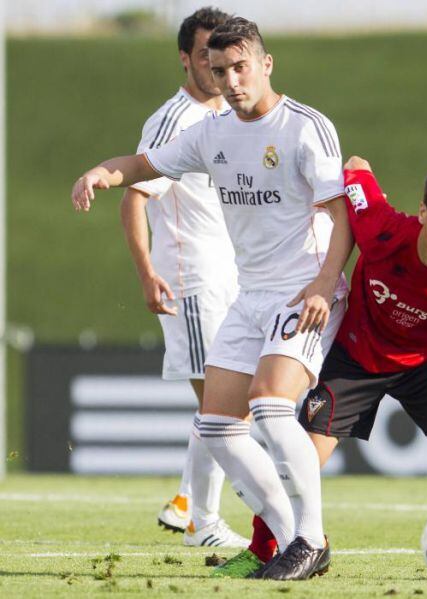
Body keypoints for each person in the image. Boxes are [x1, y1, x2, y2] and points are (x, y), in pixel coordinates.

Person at [72, 17, 352, 581]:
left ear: (266, 64)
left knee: (270, 405)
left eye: (240, 67)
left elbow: (341, 212)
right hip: (250, 296)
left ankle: (310, 536)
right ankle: (292, 539)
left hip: (303, 292)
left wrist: (325, 283)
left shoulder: (305, 127)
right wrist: (102, 172)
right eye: (220, 70)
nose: (231, 80)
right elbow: (144, 166)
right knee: (218, 426)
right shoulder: (211, 132)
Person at [236, 157, 427, 583]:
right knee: (299, 453)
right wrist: (332, 186)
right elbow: (355, 166)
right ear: (422, 212)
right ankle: (261, 550)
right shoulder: (381, 228)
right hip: (358, 356)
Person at [120, 6, 247, 550]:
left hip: (230, 279)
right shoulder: (174, 119)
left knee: (229, 401)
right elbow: (135, 196)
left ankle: (186, 505)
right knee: (224, 403)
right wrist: (148, 273)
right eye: (204, 56)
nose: (216, 69)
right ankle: (202, 521)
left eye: (222, 59)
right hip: (190, 280)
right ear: (185, 59)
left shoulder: (228, 117)